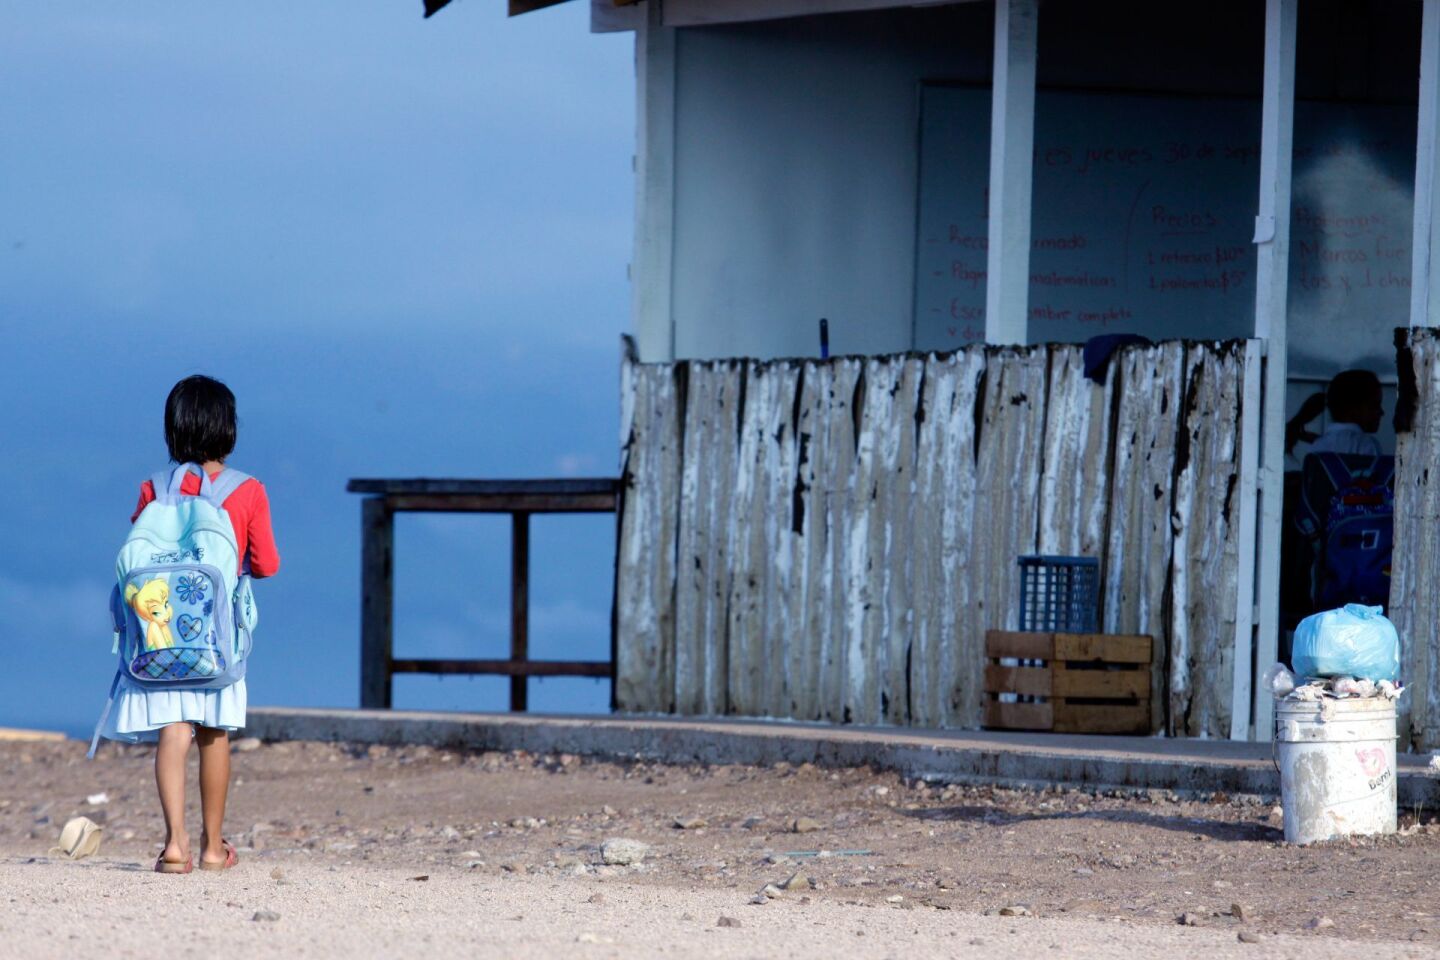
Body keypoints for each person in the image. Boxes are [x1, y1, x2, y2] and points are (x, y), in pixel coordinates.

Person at [98, 375, 280, 873]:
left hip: (158, 642)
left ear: (173, 428)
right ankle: (213, 847)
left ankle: (174, 845)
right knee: (213, 732)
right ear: (228, 427)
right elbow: (267, 564)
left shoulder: (153, 489)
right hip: (217, 640)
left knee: (172, 731)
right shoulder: (247, 491)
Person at [1288, 369, 1385, 458]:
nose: (1382, 412)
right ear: (1353, 408)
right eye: (1374, 405)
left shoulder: (1317, 446)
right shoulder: (1368, 445)